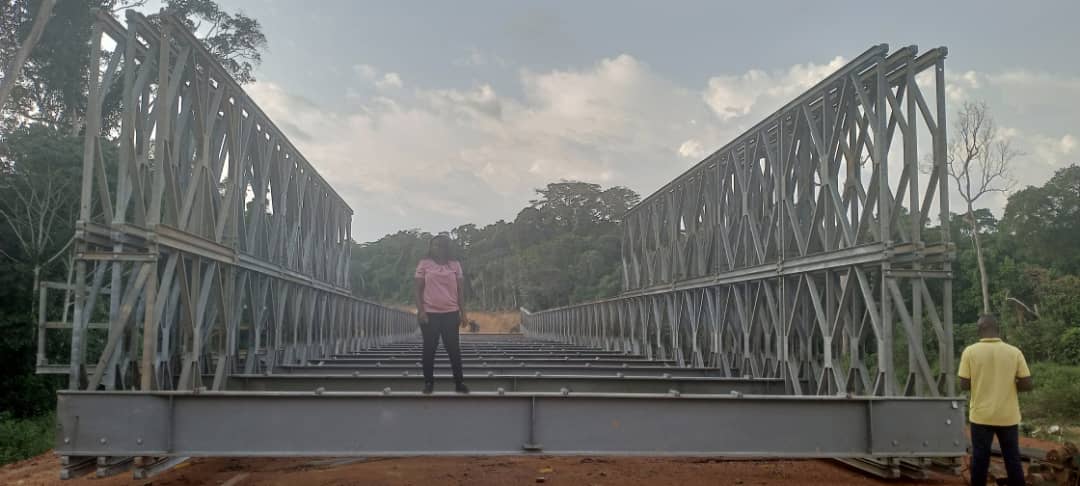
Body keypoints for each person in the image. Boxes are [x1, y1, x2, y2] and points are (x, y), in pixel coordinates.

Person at [958, 314, 1034, 486]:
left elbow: (964, 384)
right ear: (997, 329)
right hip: (1008, 416)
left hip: (981, 417)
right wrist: (1009, 384)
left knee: (980, 460)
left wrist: (980, 381)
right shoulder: (1014, 352)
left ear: (982, 329)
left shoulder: (970, 351)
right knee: (1012, 459)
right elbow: (1027, 384)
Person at [413, 233, 469, 394]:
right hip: (430, 313)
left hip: (451, 313)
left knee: (453, 349)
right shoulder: (424, 264)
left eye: (440, 245)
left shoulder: (455, 265)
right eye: (434, 245)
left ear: (446, 248)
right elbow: (417, 290)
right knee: (429, 348)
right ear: (431, 247)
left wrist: (463, 313)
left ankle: (459, 383)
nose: (437, 248)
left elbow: (460, 291)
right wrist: (421, 311)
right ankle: (428, 383)